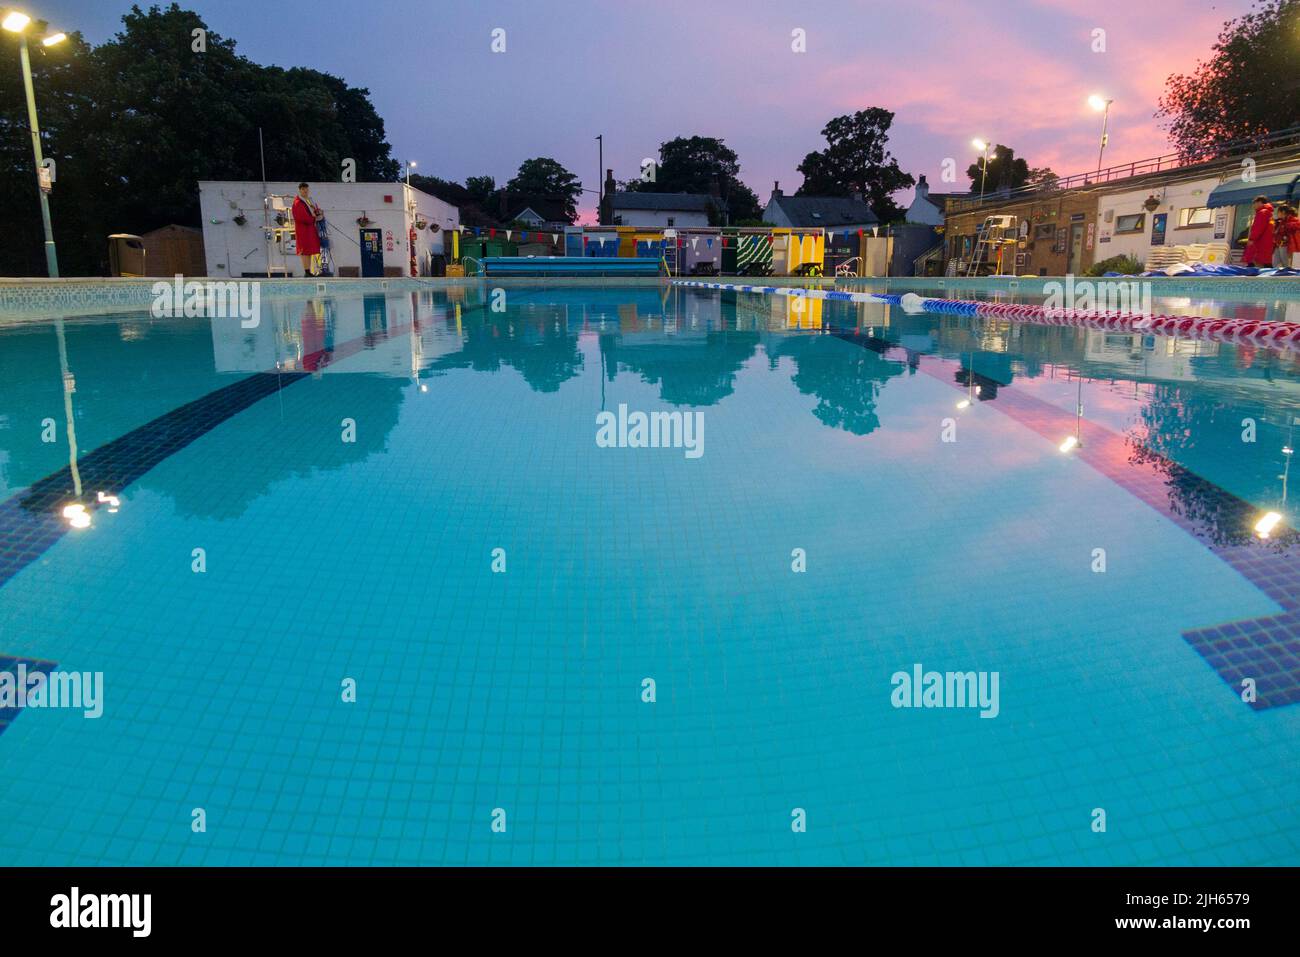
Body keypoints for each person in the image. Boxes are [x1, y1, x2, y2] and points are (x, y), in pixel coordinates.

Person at [292, 182, 323, 275]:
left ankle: (309, 270)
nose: (306, 191)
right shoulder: (298, 202)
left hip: (310, 229)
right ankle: (307, 271)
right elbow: (302, 217)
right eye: (303, 189)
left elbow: (314, 210)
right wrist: (314, 217)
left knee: (309, 251)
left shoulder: (308, 200)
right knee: (304, 251)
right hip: (303, 230)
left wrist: (318, 213)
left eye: (307, 189)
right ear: (300, 190)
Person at [1243, 194, 1274, 268]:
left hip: (1260, 243)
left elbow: (1258, 228)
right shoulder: (1269, 213)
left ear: (1259, 202)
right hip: (1267, 242)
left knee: (1255, 263)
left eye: (1254, 203)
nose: (1253, 205)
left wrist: (1251, 239)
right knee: (1265, 263)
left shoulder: (1262, 213)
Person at [1279, 204, 1300, 269]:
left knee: (1295, 267)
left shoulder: (1290, 222)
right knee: (1293, 266)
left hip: (1295, 248)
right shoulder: (1285, 222)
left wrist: (1285, 226)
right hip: (1292, 247)